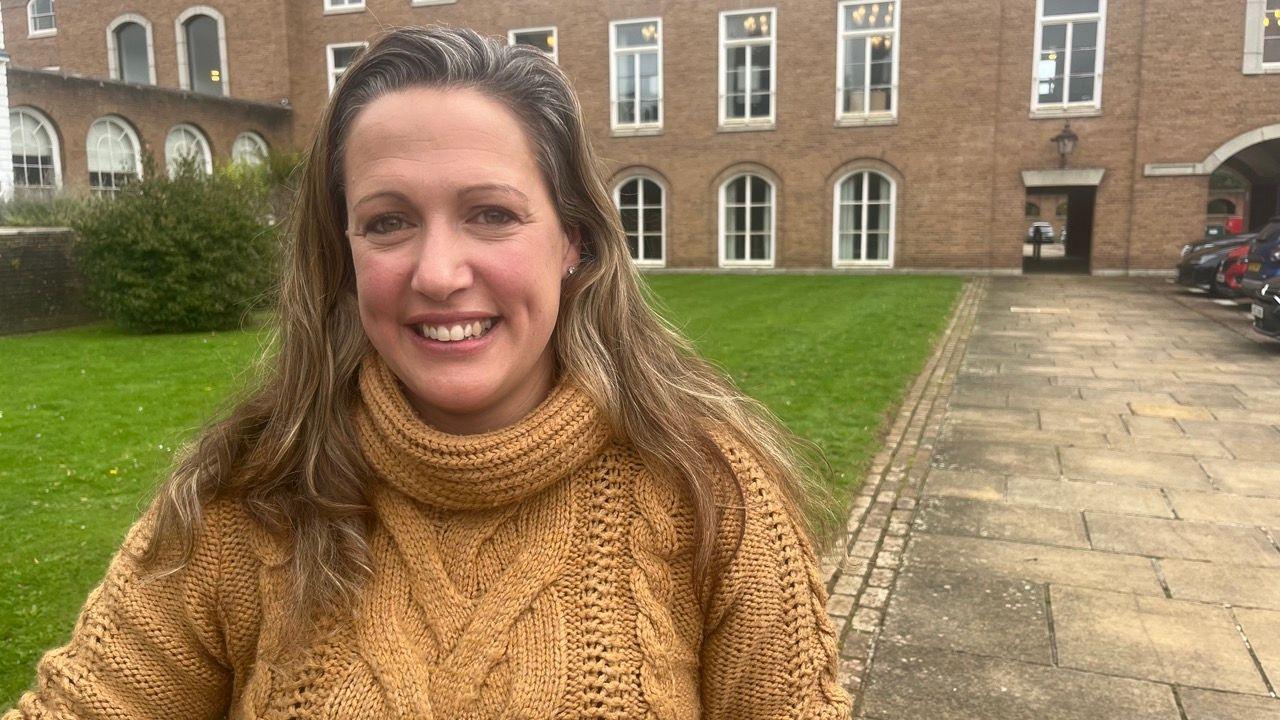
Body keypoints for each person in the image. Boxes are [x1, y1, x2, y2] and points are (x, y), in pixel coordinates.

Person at [4, 26, 852, 719]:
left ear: (574, 240)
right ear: (343, 253)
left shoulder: (711, 495)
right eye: (388, 222)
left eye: (491, 214)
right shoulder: (242, 500)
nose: (438, 273)